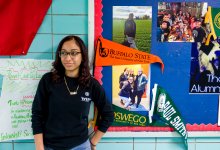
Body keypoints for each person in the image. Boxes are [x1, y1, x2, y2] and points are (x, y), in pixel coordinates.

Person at [31, 35, 114, 150]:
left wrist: (94, 142)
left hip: (80, 145)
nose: (68, 58)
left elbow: (108, 114)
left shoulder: (91, 84)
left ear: (82, 56)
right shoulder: (48, 80)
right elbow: (37, 115)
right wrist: (39, 148)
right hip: (50, 146)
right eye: (64, 53)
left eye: (74, 53)